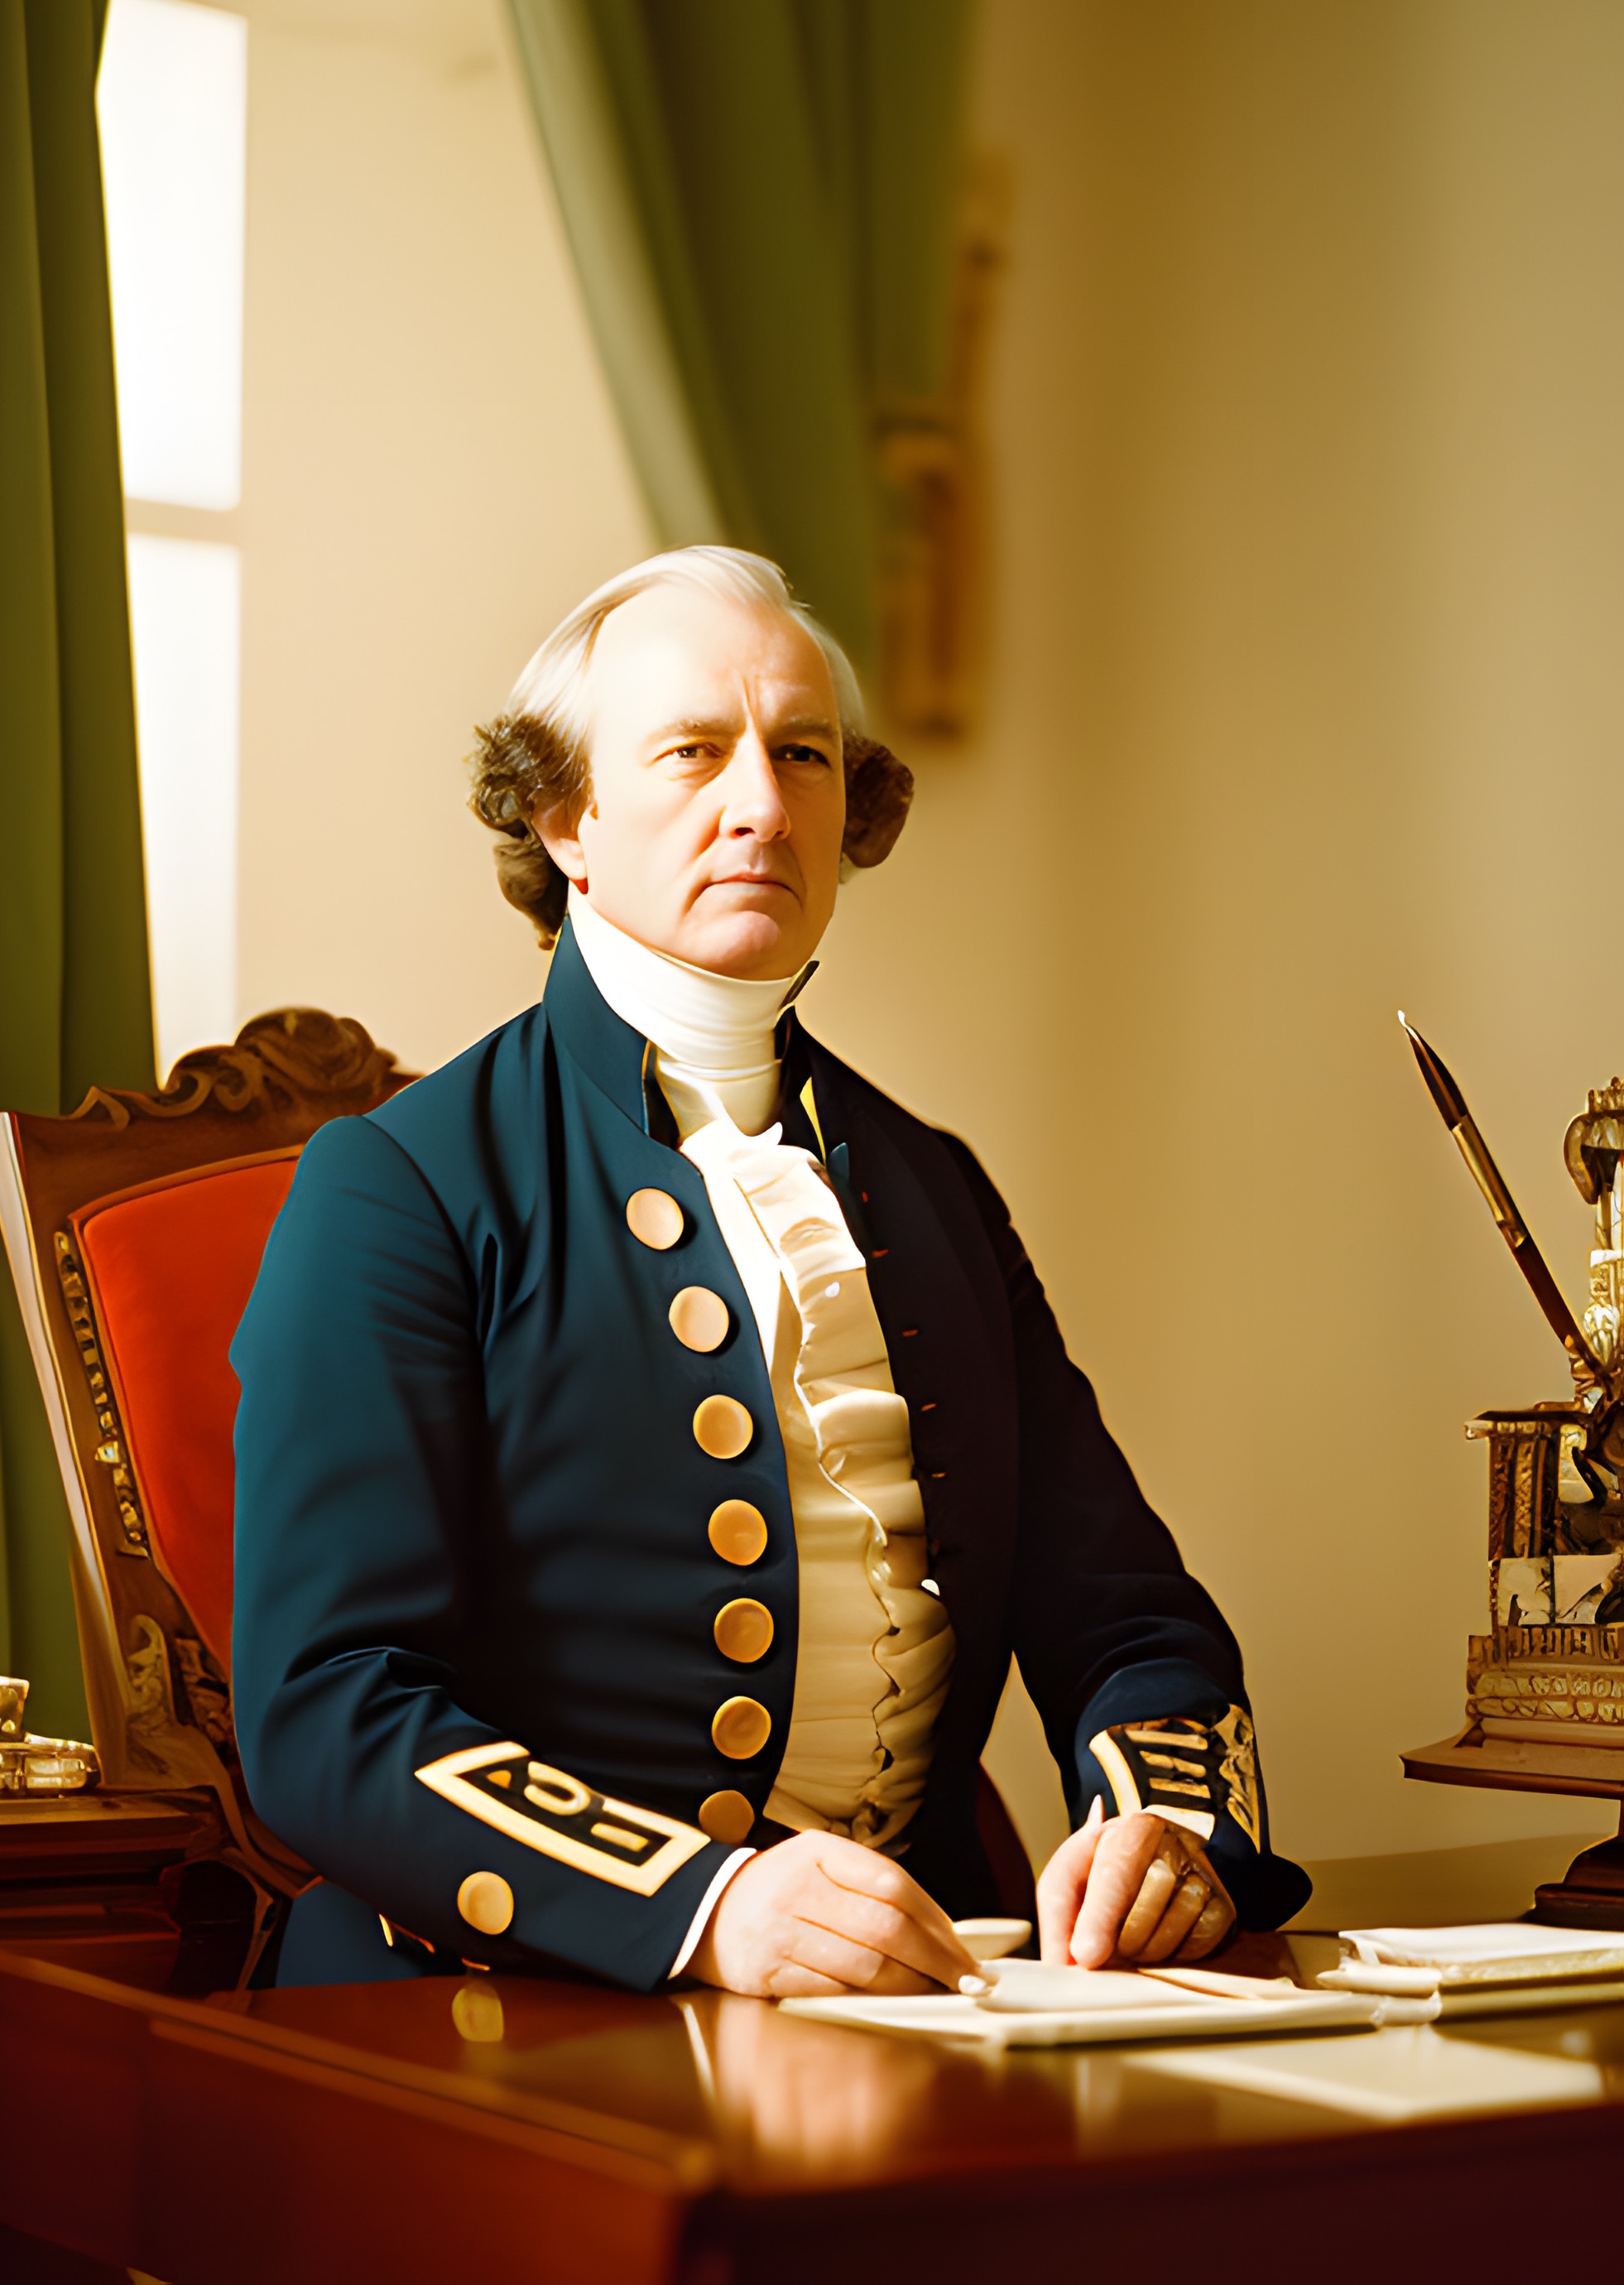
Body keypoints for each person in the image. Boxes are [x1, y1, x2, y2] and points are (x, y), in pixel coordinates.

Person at [231, 547, 1309, 1995]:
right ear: (567, 816)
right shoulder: (400, 1189)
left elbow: (1131, 1620)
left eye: (802, 753)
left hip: (927, 1996)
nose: (760, 803)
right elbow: (327, 1711)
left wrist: (1167, 1837)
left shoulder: (934, 1189)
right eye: (691, 752)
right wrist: (704, 1909)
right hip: (503, 2005)